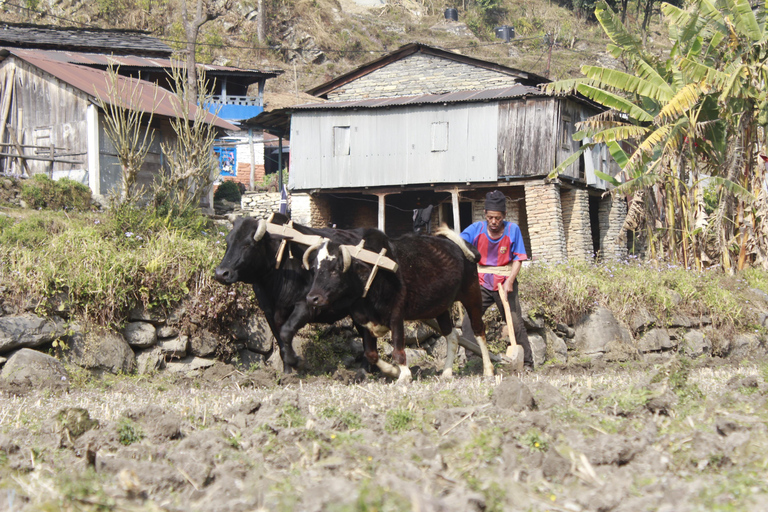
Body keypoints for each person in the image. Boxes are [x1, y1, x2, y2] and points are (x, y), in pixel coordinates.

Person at [460, 190, 534, 371]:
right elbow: (458, 244)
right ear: (485, 214)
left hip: (505, 282)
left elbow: (518, 259)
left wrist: (510, 281)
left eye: (498, 218)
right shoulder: (475, 230)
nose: (494, 222)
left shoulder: (512, 230)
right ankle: (473, 362)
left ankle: (527, 363)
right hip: (481, 283)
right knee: (469, 322)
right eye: (491, 217)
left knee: (515, 322)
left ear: (504, 216)